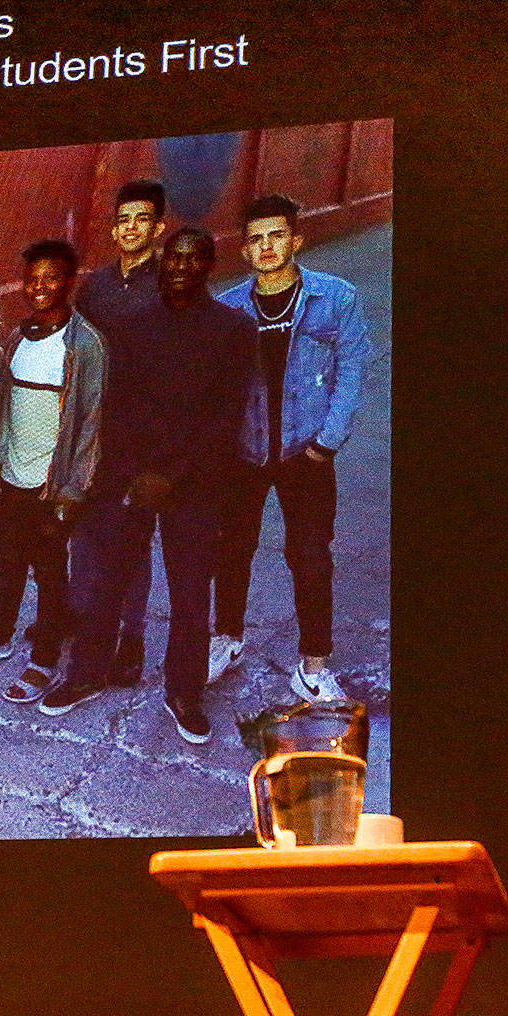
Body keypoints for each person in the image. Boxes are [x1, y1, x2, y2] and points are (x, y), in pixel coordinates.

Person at [40, 228, 253, 744]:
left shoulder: (232, 329)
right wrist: (135, 473)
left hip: (195, 482)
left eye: (193, 258)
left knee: (189, 593)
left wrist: (170, 475)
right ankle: (88, 672)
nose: (181, 266)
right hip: (131, 476)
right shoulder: (135, 326)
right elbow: (119, 406)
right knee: (107, 580)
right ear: (163, 264)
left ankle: (184, 691)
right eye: (174, 258)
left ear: (208, 264)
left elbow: (225, 418)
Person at [209, 194, 371, 702]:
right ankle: (227, 639)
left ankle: (314, 664)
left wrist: (325, 444)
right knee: (232, 549)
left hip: (306, 451)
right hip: (246, 452)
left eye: (277, 235)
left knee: (310, 557)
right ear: (245, 250)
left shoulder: (335, 297)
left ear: (296, 240)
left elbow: (353, 370)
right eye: (256, 239)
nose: (267, 246)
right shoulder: (231, 306)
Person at [0, 239, 105, 706]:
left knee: (52, 573)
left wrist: (73, 488)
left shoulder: (85, 344)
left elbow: (92, 422)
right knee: (7, 563)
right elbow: (5, 406)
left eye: (51, 279)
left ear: (69, 283)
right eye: (33, 280)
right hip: (12, 474)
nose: (40, 288)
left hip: (52, 483)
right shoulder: (17, 338)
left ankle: (44, 658)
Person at [74, 178, 169, 685]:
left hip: (142, 433)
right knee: (83, 529)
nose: (131, 228)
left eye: (141, 219)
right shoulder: (97, 286)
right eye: (123, 219)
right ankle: (83, 617)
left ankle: (130, 638)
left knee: (133, 537)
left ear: (158, 226)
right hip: (93, 428)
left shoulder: (170, 286)